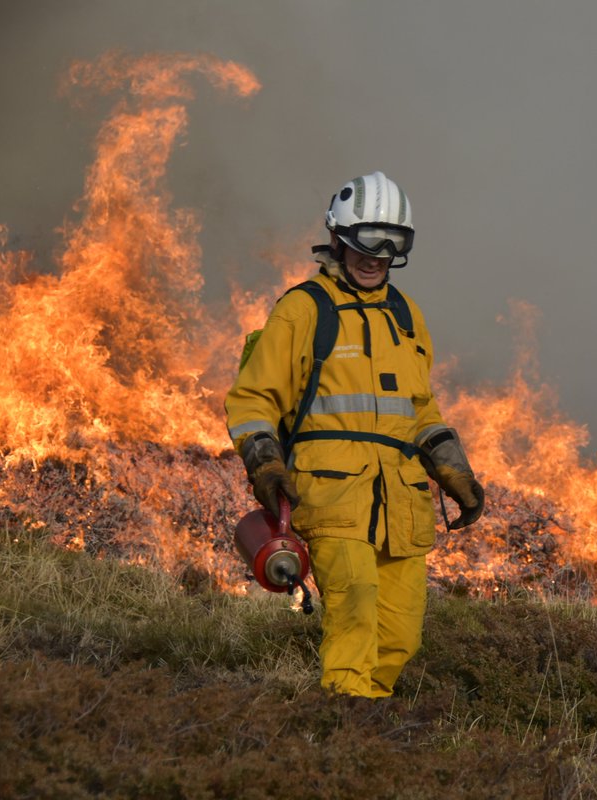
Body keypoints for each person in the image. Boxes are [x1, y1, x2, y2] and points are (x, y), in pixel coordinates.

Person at [225, 171, 485, 698]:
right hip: (331, 497)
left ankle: (366, 730)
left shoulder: (407, 316)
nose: (378, 255)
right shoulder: (304, 310)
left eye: (394, 243)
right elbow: (253, 398)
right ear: (339, 238)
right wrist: (265, 462)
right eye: (367, 241)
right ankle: (345, 727)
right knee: (355, 612)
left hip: (401, 504)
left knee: (400, 636)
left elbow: (419, 407)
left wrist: (451, 465)